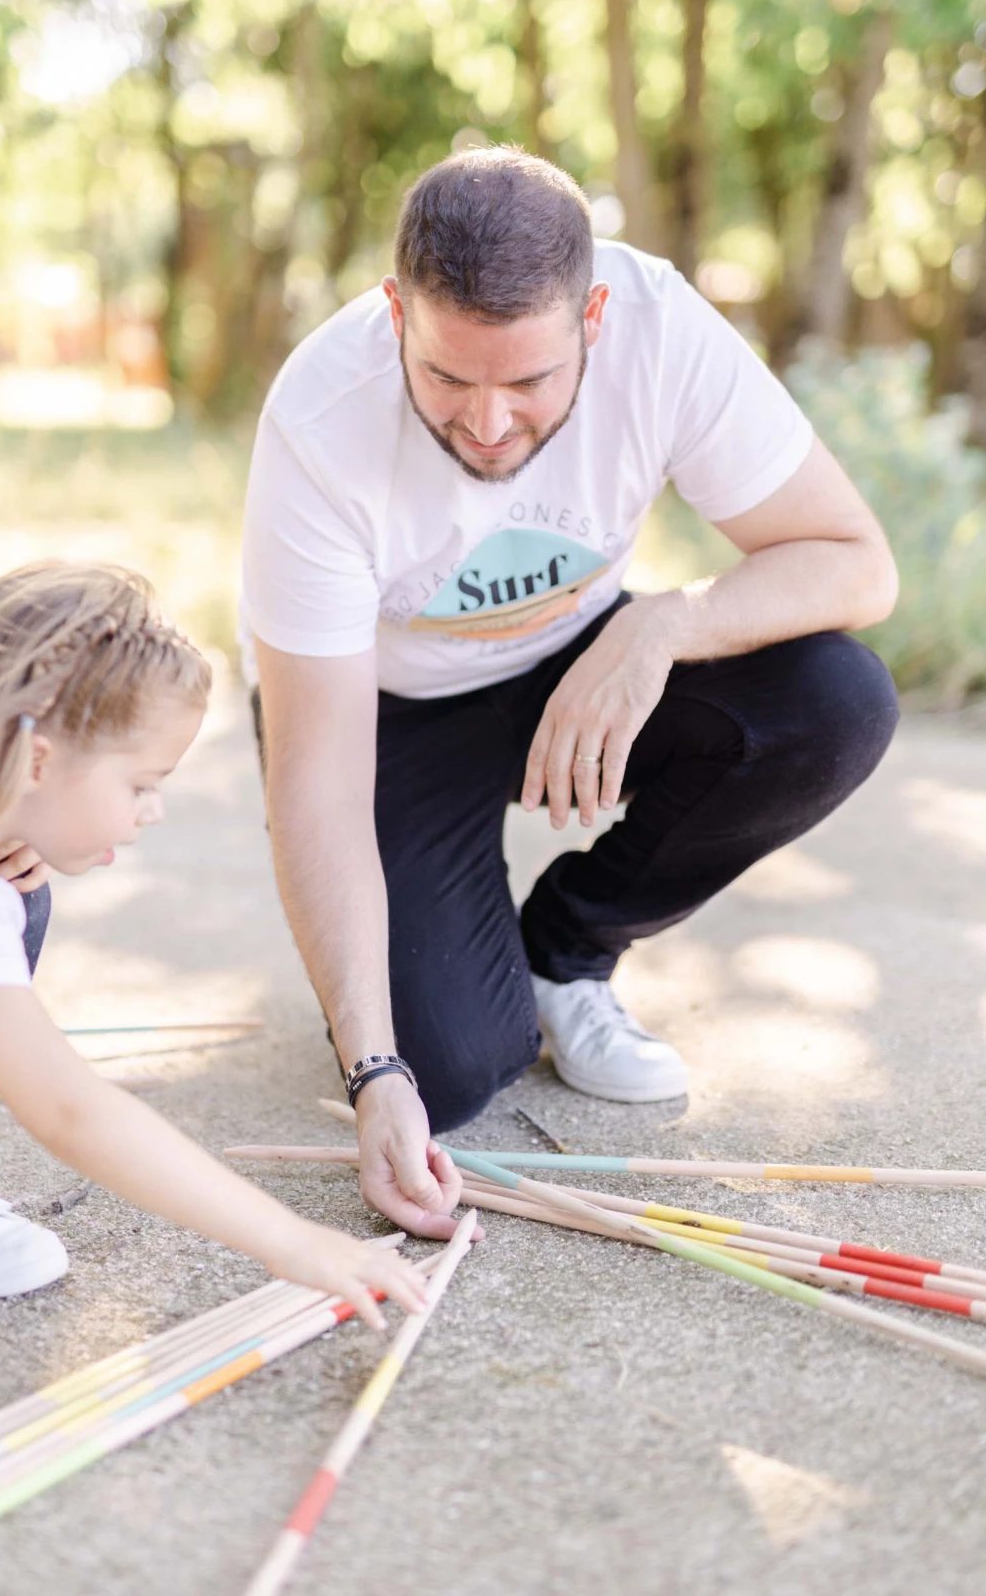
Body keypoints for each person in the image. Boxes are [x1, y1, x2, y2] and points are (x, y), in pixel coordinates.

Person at [242, 146, 901, 1244]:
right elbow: (315, 783)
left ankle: (569, 950)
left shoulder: (664, 330)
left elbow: (854, 563)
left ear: (593, 314)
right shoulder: (319, 421)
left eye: (530, 381)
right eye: (448, 378)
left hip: (580, 650)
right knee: (448, 1076)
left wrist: (665, 622)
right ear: (396, 309)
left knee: (835, 702)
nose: (489, 423)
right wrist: (372, 1070)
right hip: (389, 710)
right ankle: (471, 989)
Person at [0, 562, 426, 1375]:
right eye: (142, 783)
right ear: (37, 761)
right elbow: (72, 1110)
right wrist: (292, 1239)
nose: (153, 809)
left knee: (10, 896)